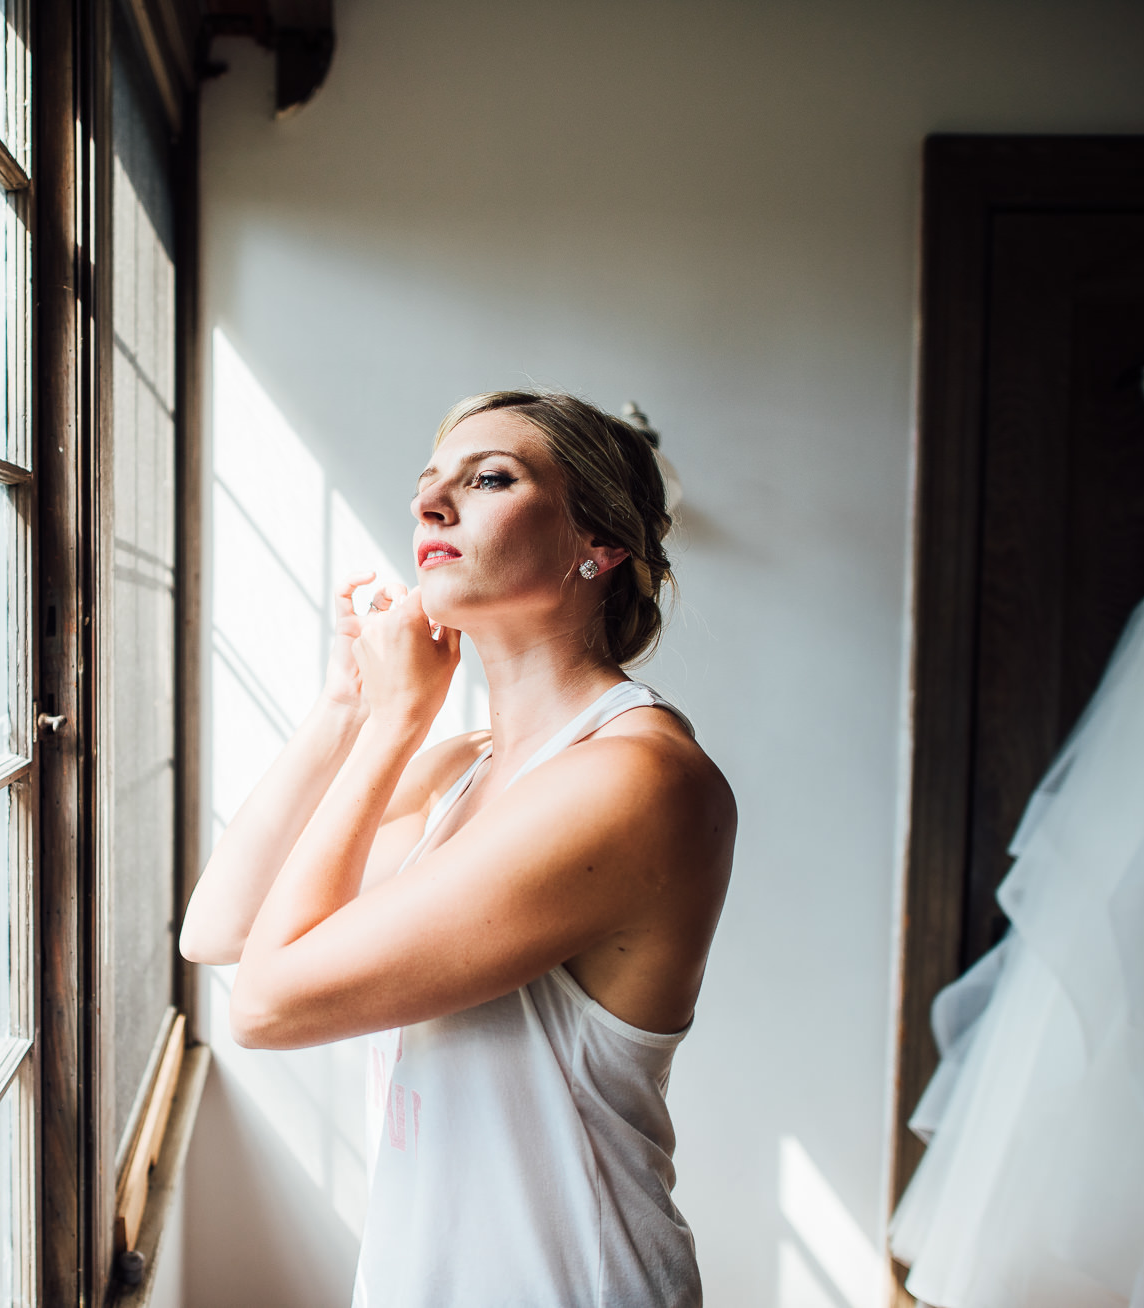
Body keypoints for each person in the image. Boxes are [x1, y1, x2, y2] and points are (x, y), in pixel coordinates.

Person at [180, 390, 737, 1306]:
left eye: (488, 479)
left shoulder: (636, 779)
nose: (429, 506)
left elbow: (267, 1007)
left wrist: (397, 722)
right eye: (428, 485)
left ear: (600, 544)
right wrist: (349, 710)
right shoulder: (462, 767)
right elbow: (220, 926)